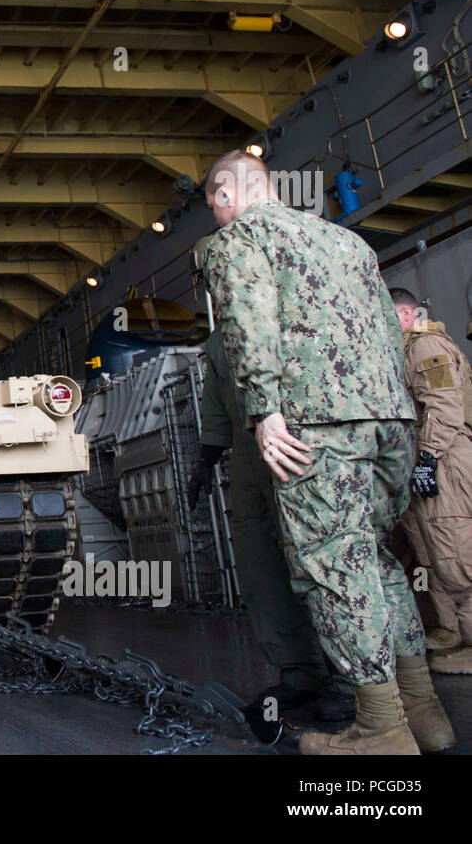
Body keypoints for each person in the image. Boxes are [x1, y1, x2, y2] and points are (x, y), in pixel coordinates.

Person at [200, 150, 454, 755]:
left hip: (320, 425)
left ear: (226, 195)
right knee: (377, 560)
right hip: (389, 419)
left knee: (336, 567)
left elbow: (246, 322)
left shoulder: (238, 239)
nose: (213, 213)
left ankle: (383, 729)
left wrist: (264, 412)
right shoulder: (348, 243)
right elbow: (388, 333)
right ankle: (424, 711)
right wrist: (395, 410)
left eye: (212, 202)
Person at [188, 318, 353, 721]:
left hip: (299, 450)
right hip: (248, 461)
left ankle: (350, 679)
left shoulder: (291, 314)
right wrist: (207, 457)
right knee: (262, 568)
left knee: (318, 563)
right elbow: (216, 399)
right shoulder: (218, 340)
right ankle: (300, 673)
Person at [390, 287, 472, 673]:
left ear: (407, 314)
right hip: (425, 461)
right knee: (430, 555)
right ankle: (449, 629)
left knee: (456, 556)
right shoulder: (406, 349)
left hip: (444, 460)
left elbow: (444, 405)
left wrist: (427, 458)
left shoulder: (426, 348)